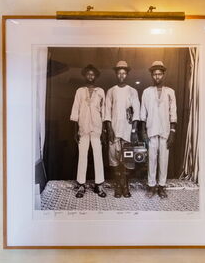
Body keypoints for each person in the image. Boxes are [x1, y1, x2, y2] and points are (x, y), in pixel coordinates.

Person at [102, 59, 141, 198]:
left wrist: (134, 131)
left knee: (127, 161)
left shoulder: (132, 91)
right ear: (116, 74)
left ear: (127, 74)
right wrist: (109, 129)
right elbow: (107, 111)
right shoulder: (111, 91)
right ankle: (118, 186)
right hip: (114, 130)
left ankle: (126, 185)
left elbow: (137, 111)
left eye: (124, 73)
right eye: (119, 73)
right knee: (114, 161)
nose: (121, 76)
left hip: (127, 131)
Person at [140, 61, 177, 198]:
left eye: (159, 74)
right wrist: (143, 131)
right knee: (152, 160)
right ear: (151, 76)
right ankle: (151, 186)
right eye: (154, 74)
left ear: (163, 75)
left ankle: (161, 186)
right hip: (151, 130)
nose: (157, 77)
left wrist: (172, 132)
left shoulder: (170, 92)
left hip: (165, 131)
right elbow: (143, 113)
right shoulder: (146, 92)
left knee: (163, 160)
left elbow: (173, 113)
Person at [69, 64, 107, 198]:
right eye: (88, 74)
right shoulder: (80, 91)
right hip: (83, 129)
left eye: (93, 74)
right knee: (82, 157)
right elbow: (75, 111)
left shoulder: (101, 91)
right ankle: (81, 185)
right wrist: (75, 132)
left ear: (95, 76)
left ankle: (99, 185)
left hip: (97, 129)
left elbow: (104, 112)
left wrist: (104, 132)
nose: (90, 76)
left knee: (98, 156)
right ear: (85, 75)